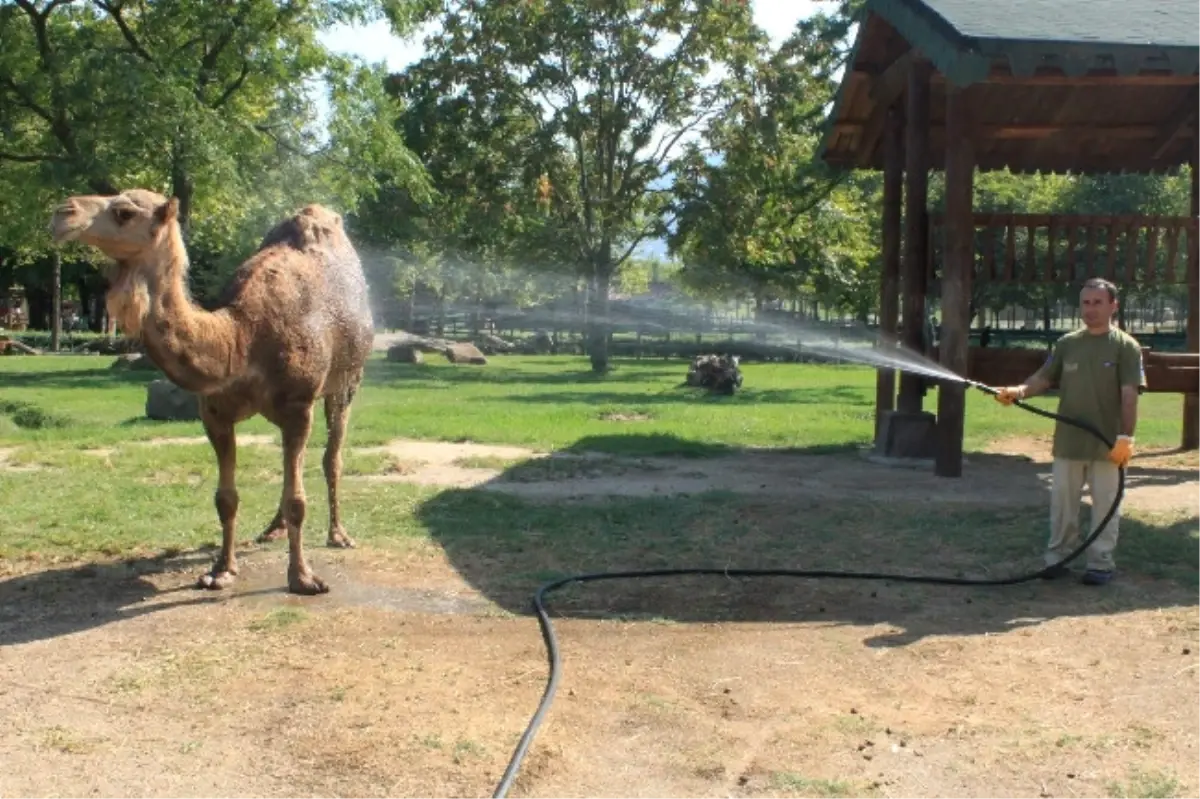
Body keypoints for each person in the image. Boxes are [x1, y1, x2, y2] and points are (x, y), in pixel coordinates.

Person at [993, 278, 1145, 586]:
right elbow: (1043, 378)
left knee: (1105, 506)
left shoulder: (1126, 346)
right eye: (1086, 303)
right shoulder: (1067, 344)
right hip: (1069, 442)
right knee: (1063, 505)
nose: (1090, 309)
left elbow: (1130, 394)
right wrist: (1019, 391)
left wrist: (1125, 438)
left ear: (1113, 306)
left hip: (1108, 444)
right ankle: (1057, 558)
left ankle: (1100, 563)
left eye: (1097, 303)